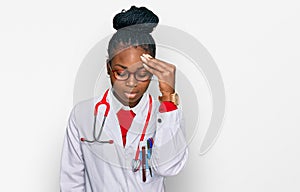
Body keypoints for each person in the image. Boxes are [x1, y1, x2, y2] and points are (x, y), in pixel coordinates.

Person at [60, 5, 188, 192]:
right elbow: (71, 181)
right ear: (108, 68)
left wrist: (168, 97)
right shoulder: (83, 114)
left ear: (153, 72)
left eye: (142, 74)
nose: (131, 82)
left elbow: (169, 167)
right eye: (121, 72)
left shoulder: (167, 114)